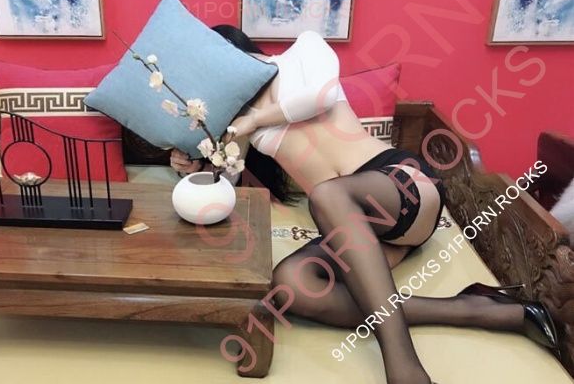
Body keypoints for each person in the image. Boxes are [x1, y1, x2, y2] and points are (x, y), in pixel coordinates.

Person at [169, 25, 558, 384]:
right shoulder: (238, 117)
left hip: (401, 186)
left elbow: (319, 96)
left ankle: (406, 371)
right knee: (289, 284)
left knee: (328, 193)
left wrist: (254, 122)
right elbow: (227, 183)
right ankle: (476, 308)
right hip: (355, 229)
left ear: (232, 53)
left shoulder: (303, 50)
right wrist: (192, 168)